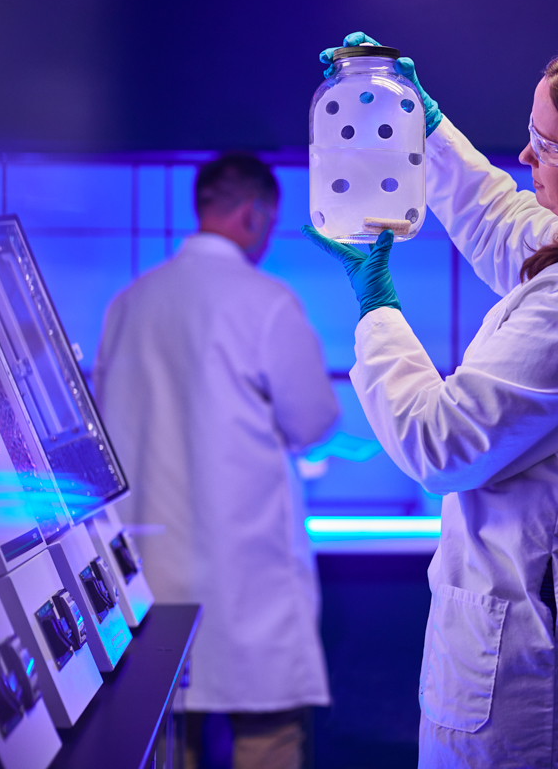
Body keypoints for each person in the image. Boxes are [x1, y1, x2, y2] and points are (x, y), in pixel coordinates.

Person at [305, 35, 558, 768]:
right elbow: (502, 224)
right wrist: (424, 127)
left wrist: (375, 306)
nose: (526, 159)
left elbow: (437, 444)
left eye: (550, 147)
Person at [95, 153, 339, 769]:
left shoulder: (129, 303)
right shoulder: (266, 302)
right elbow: (313, 421)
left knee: (171, 744)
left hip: (152, 577)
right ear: (255, 214)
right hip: (246, 573)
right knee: (268, 737)